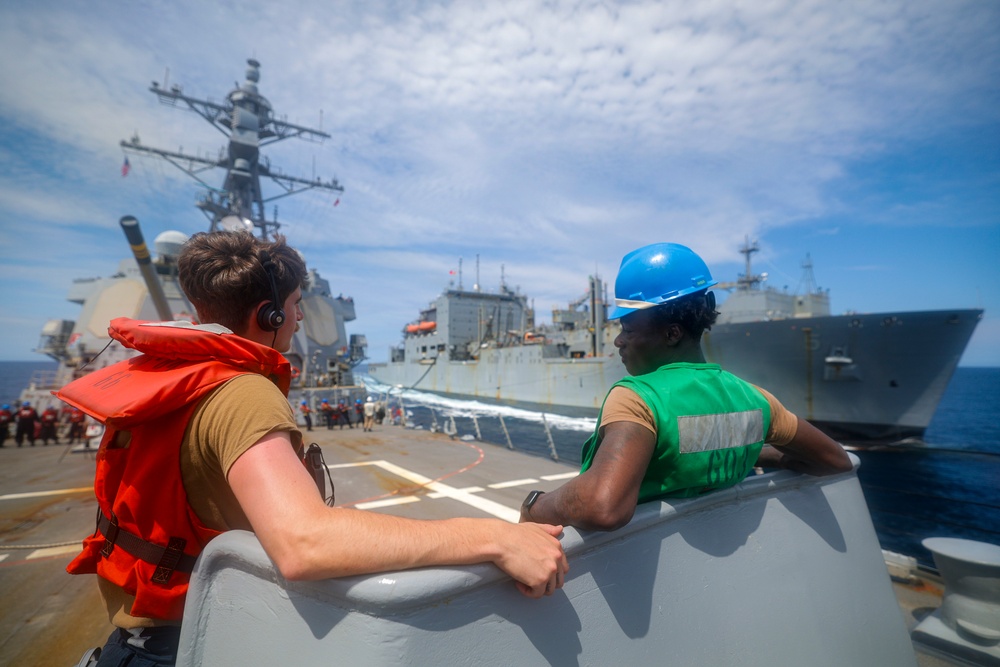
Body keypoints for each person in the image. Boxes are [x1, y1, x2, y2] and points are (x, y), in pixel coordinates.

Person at [57, 231, 567, 666]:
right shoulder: (241, 390)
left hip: (137, 640)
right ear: (270, 314)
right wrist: (496, 537)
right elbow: (306, 542)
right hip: (195, 642)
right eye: (297, 306)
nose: (300, 319)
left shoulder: (168, 373)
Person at [520, 242, 852, 531]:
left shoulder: (636, 398)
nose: (619, 341)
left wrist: (536, 505)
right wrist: (757, 453)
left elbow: (602, 507)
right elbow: (836, 461)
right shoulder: (758, 400)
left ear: (672, 333)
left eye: (628, 328)